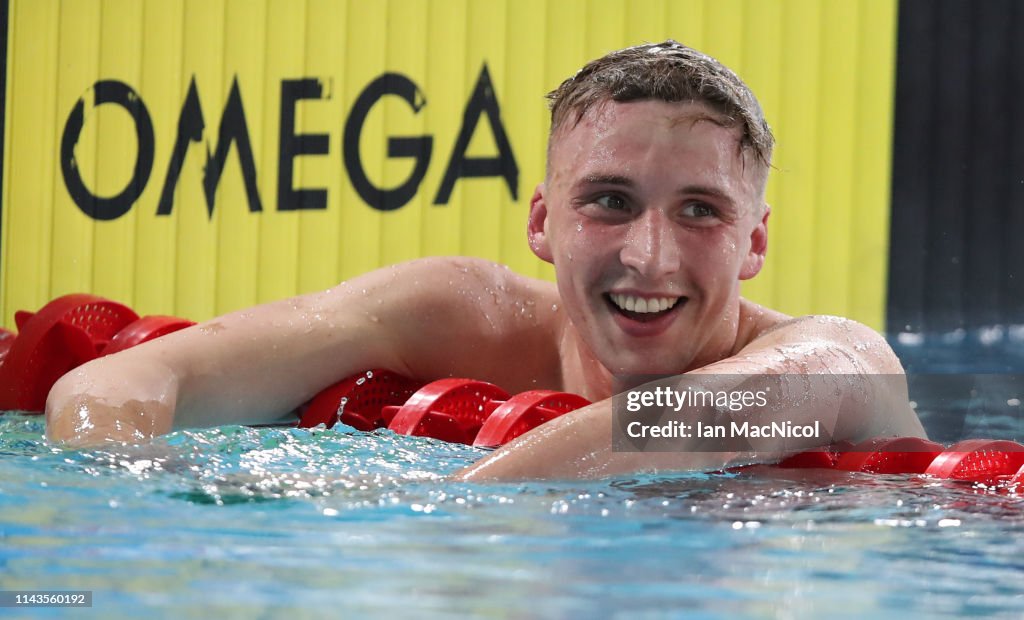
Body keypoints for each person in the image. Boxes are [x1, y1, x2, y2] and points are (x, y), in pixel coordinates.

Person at [44, 41, 925, 479]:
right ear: (543, 222)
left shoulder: (842, 367)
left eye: (700, 212)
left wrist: (443, 516)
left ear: (756, 241)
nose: (648, 257)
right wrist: (148, 496)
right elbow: (115, 384)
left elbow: (678, 426)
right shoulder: (456, 313)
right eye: (609, 202)